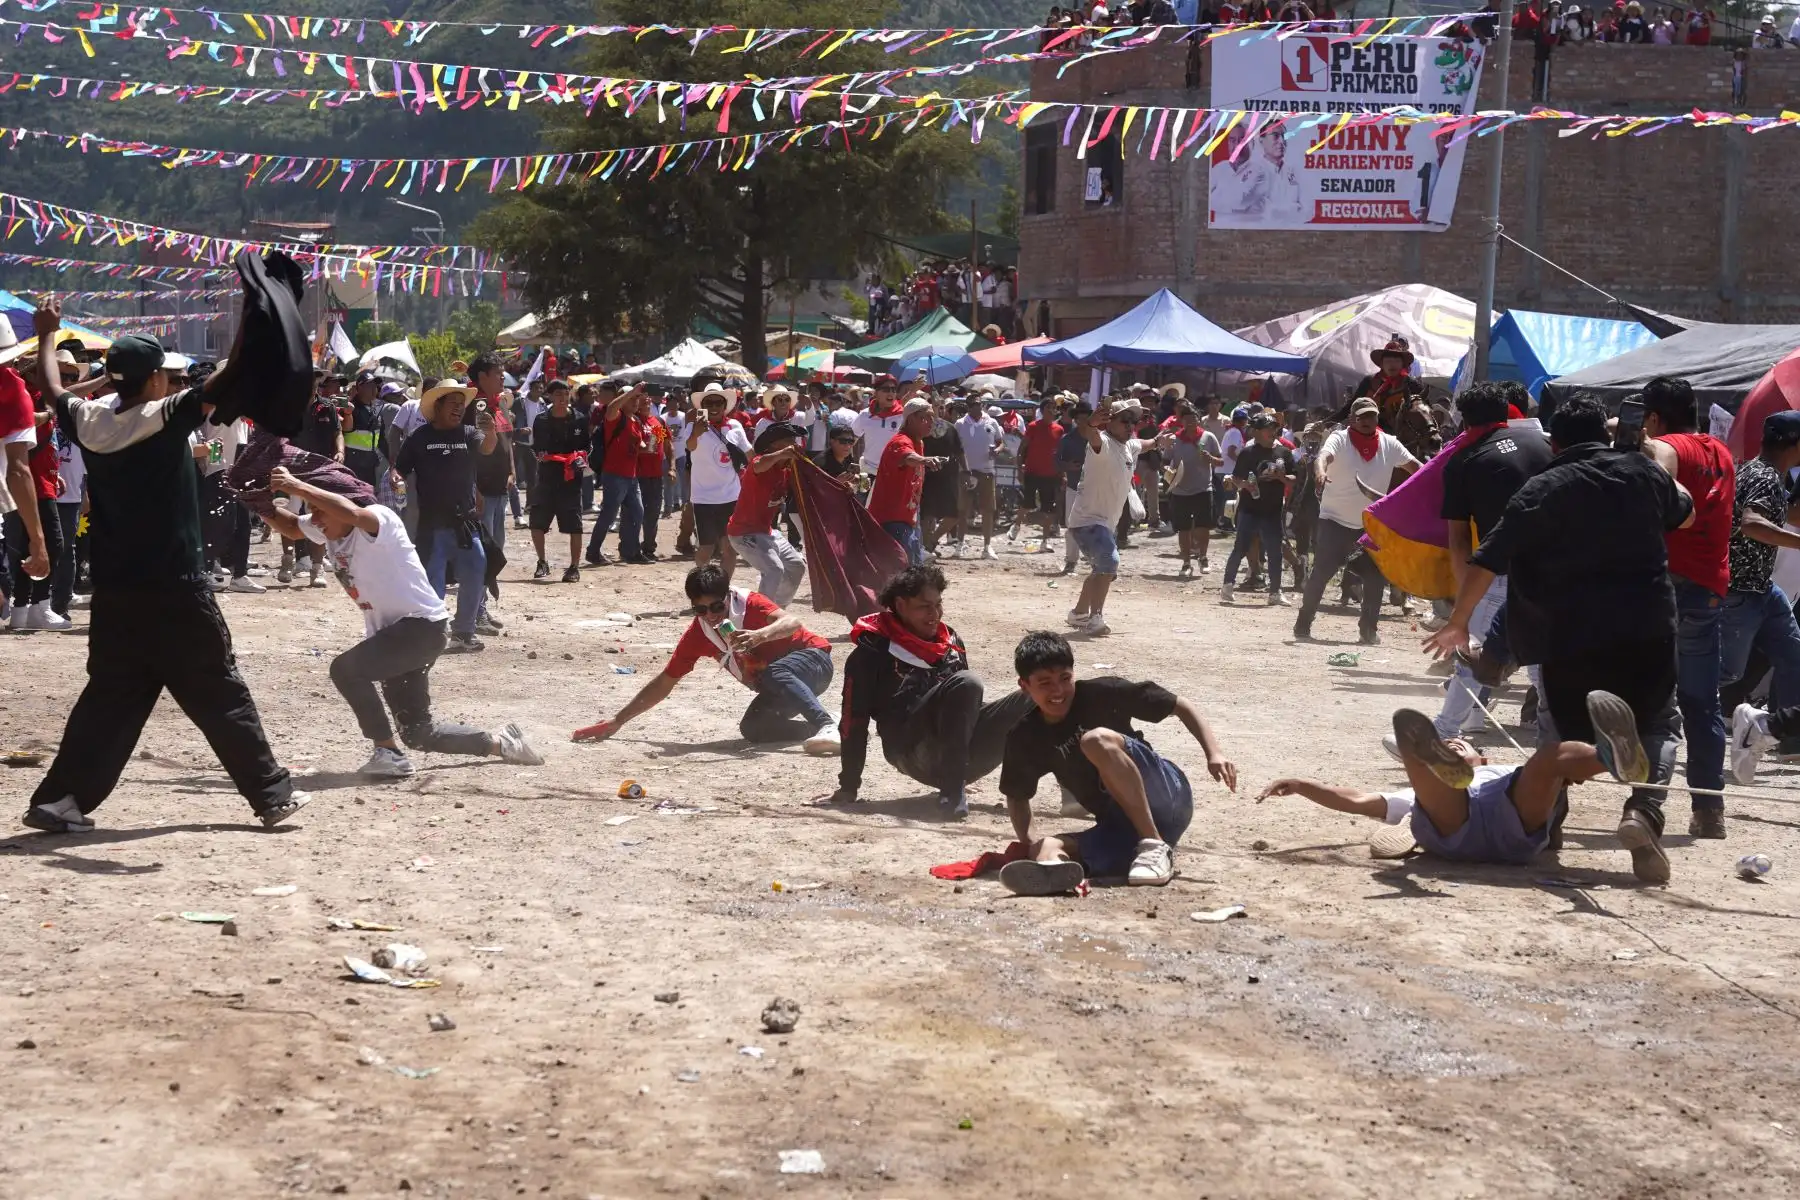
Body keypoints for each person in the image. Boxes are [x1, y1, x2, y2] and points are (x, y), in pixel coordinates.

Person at [21, 302, 307, 834]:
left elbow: (54, 390)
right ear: (155, 378)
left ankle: (60, 800)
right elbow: (228, 375)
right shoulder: (166, 415)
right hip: (175, 587)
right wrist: (253, 319)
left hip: (115, 592)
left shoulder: (90, 421)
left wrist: (46, 335)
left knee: (110, 697)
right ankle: (270, 795)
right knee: (217, 688)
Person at [1424, 395, 1695, 884]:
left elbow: (1489, 557)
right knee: (1658, 725)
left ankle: (1548, 827)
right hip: (1645, 628)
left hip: (1564, 637)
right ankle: (1643, 813)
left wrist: (1459, 620)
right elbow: (1687, 512)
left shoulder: (1541, 488)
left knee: (1559, 735)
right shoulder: (1643, 473)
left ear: (1554, 442)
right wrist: (1650, 456)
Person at [261, 466, 543, 777]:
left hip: (421, 629)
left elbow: (353, 513)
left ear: (340, 503)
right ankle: (501, 743)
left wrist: (298, 487)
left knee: (346, 670)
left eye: (319, 510)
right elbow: (289, 526)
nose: (314, 519)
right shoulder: (329, 524)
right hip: (399, 635)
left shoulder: (379, 519)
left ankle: (386, 752)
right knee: (418, 733)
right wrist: (256, 501)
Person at [1263, 692, 1648, 865]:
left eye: (1456, 744)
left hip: (1498, 818)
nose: (1456, 744)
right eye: (1449, 745)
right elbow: (1358, 800)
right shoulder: (1432, 791)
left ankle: (1610, 758)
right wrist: (1302, 786)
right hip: (1468, 826)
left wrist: (1478, 766)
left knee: (1547, 761)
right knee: (1429, 790)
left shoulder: (1506, 773)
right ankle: (1425, 758)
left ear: (1481, 755)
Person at [997, 631, 1237, 894]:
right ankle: (1053, 872)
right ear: (1024, 686)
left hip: (1169, 796)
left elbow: (1181, 705)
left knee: (1095, 740)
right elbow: (1017, 796)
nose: (1058, 691)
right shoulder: (1025, 735)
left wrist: (1214, 753)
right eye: (1044, 683)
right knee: (1048, 847)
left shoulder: (1104, 692)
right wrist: (1031, 845)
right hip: (1121, 828)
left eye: (1065, 679)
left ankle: (1154, 846)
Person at [821, 565, 1033, 819]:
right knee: (967, 682)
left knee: (1040, 693)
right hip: (911, 751)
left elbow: (967, 708)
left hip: (958, 757)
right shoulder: (873, 652)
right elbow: (853, 721)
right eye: (924, 606)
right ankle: (951, 794)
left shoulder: (950, 643)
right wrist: (848, 787)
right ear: (900, 605)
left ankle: (1075, 791)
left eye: (938, 605)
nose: (935, 614)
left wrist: (962, 767)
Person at [571, 565, 839, 751]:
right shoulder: (698, 635)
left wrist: (760, 635)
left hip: (813, 661)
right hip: (782, 686)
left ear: (726, 597)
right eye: (700, 609)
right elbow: (665, 681)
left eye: (716, 606)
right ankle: (820, 725)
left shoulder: (749, 603)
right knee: (755, 729)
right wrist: (618, 720)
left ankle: (826, 725)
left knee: (775, 673)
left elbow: (792, 622)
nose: (711, 615)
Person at [1429, 381, 1553, 739]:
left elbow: (1458, 539)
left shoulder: (1465, 460)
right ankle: (1559, 734)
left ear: (1465, 422)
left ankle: (1443, 732)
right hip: (1551, 572)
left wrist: (1463, 600)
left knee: (1473, 653)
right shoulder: (1547, 446)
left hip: (1498, 572)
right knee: (1540, 661)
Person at [1640, 375, 1734, 839]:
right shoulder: (1722, 451)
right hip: (1709, 586)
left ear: (1655, 418)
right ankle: (1709, 810)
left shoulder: (1667, 447)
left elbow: (1661, 472)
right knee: (1703, 703)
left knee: (1655, 701)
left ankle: (1646, 803)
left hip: (1667, 584)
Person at [1712, 410, 1800, 805]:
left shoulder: (1760, 471)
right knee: (1723, 673)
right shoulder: (1765, 476)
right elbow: (1750, 523)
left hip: (1762, 590)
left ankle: (1776, 732)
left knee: (1795, 656)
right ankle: (1654, 711)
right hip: (1741, 591)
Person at [1294, 397, 1420, 645]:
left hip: (1368, 525)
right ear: (1352, 418)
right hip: (1334, 520)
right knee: (1322, 573)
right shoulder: (1339, 438)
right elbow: (1323, 457)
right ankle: (1303, 623)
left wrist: (1430, 481)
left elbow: (1415, 467)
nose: (1366, 421)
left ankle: (1368, 630)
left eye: (1371, 415)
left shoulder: (1389, 443)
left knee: (1375, 577)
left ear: (1377, 418)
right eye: (1361, 416)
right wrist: (1320, 472)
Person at [393, 381, 496, 653]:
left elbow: (486, 449)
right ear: (437, 406)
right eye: (453, 405)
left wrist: (492, 431)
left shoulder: (469, 433)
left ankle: (463, 633)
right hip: (431, 523)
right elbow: (399, 469)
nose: (459, 410)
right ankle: (434, 634)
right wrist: (395, 480)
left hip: (465, 521)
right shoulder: (419, 437)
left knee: (477, 567)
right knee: (434, 580)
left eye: (462, 406)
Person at [1063, 399, 1173, 635]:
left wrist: (1157, 441)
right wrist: (1092, 423)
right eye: (1124, 420)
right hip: (1087, 521)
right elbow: (1089, 434)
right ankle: (1096, 619)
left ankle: (1079, 613)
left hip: (1104, 523)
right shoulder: (1101, 441)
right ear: (1108, 421)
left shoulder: (1129, 446)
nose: (1130, 425)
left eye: (1133, 421)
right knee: (1109, 562)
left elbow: (1143, 444)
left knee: (1101, 568)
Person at [1217, 412, 1295, 605]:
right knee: (1241, 547)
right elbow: (1235, 478)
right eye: (1268, 429)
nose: (1272, 432)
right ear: (1257, 432)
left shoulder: (1283, 452)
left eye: (1274, 428)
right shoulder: (1248, 452)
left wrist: (1281, 477)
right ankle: (1227, 586)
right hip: (1249, 508)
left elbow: (1294, 479)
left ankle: (1275, 592)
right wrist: (1246, 486)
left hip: (1273, 509)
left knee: (1274, 551)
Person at [726, 423, 808, 606]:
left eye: (793, 441)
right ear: (772, 445)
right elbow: (759, 463)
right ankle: (760, 615)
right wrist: (782, 454)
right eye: (787, 441)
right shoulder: (759, 463)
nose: (793, 445)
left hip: (767, 532)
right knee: (774, 570)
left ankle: (776, 610)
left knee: (796, 566)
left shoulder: (786, 471)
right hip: (743, 533)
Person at [867, 397, 943, 567]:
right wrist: (925, 460)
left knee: (913, 569)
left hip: (908, 518)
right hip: (891, 520)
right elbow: (908, 457)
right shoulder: (900, 441)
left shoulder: (919, 442)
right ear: (911, 419)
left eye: (932, 417)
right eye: (926, 417)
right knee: (905, 570)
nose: (931, 422)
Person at [686, 383, 752, 575]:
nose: (714, 407)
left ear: (725, 406)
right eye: (709, 403)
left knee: (730, 549)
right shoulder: (692, 426)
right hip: (703, 498)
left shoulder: (735, 426)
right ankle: (703, 586)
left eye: (718, 403)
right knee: (706, 549)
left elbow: (749, 454)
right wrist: (696, 433)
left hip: (731, 497)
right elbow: (689, 447)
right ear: (702, 406)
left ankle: (723, 590)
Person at [585, 381, 650, 566]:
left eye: (637, 398)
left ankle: (631, 551)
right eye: (632, 398)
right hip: (614, 474)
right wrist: (631, 392)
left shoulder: (635, 421)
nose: (635, 401)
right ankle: (593, 551)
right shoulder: (615, 416)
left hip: (631, 475)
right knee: (609, 514)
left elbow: (639, 446)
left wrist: (649, 446)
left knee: (637, 512)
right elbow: (612, 406)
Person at [529, 380, 588, 583]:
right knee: (536, 522)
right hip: (546, 478)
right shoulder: (541, 420)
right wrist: (541, 455)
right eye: (558, 395)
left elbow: (587, 447)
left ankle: (574, 567)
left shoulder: (579, 419)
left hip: (571, 480)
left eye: (566, 394)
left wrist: (580, 458)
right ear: (551, 396)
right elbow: (536, 447)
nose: (563, 398)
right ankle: (542, 561)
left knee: (575, 525)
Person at [1347, 336, 1439, 463]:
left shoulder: (1410, 383)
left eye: (1396, 361)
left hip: (1404, 440)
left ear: (1402, 364)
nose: (1392, 364)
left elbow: (1427, 410)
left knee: (1428, 463)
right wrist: (1325, 422)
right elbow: (1349, 407)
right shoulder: (1369, 382)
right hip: (1369, 434)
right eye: (1388, 361)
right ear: (1382, 364)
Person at [1164, 401, 1221, 578]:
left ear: (1198, 420)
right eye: (1186, 419)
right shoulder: (1175, 440)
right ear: (1181, 421)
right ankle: (1186, 562)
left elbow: (1220, 461)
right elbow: (1165, 461)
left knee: (1203, 527)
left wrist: (1210, 458)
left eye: (1193, 418)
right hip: (1180, 489)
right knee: (1184, 529)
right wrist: (1167, 471)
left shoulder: (1208, 437)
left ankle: (1203, 557)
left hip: (1203, 488)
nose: (1190, 422)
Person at [1012, 395, 1064, 549]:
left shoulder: (1059, 429)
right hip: (1032, 471)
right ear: (1043, 410)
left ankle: (1044, 541)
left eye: (1054, 408)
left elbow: (1060, 453)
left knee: (1048, 509)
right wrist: (1019, 469)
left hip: (1051, 474)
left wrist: (1062, 474)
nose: (1051, 410)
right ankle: (1016, 525)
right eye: (1048, 407)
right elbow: (1022, 450)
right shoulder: (1033, 426)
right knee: (1027, 503)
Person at [955, 398, 1004, 559]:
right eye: (973, 405)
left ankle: (987, 547)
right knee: (963, 510)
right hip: (966, 471)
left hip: (986, 470)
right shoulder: (960, 424)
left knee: (988, 510)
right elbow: (955, 447)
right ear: (968, 407)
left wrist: (997, 450)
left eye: (979, 404)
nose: (976, 407)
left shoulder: (992, 422)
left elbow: (1000, 442)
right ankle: (960, 544)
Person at [852, 374, 908, 474]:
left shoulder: (903, 416)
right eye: (886, 389)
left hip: (894, 473)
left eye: (893, 389)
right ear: (876, 393)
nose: (890, 393)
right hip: (868, 472)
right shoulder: (864, 415)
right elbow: (851, 441)